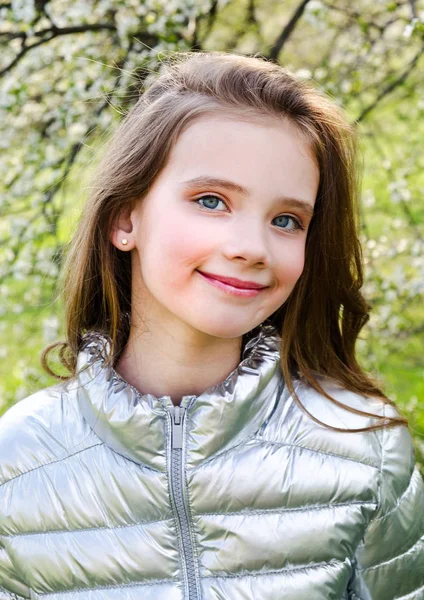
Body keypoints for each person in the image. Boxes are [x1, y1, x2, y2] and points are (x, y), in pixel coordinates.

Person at [0, 51, 423, 600]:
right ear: (125, 218)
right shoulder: (17, 462)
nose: (251, 247)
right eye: (211, 201)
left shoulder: (365, 448)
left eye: (286, 220)